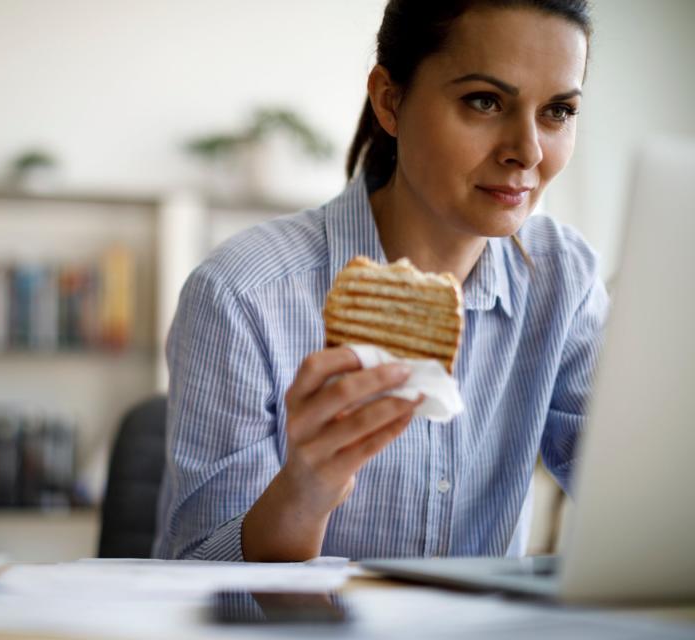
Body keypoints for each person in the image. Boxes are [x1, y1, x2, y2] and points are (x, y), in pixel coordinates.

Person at [153, 0, 606, 562]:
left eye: (558, 112)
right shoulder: (241, 294)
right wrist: (306, 492)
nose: (528, 151)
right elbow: (193, 578)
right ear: (391, 100)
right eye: (484, 102)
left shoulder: (567, 280)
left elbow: (638, 507)